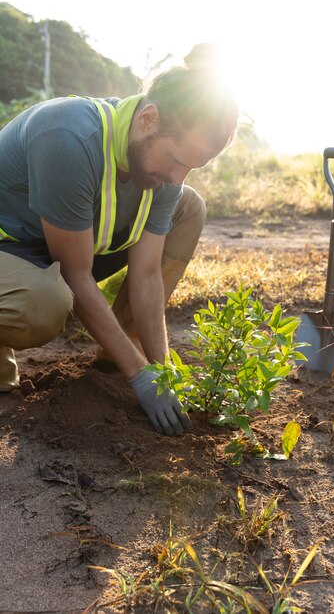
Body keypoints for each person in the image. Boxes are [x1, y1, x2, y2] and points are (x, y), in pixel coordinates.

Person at [0, 44, 239, 436]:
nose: (178, 177)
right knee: (42, 304)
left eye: (191, 167)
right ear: (148, 119)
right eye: (177, 160)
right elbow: (77, 277)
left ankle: (118, 353)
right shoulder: (68, 137)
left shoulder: (158, 166)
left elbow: (147, 275)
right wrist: (138, 376)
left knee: (188, 206)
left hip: (42, 248)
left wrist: (159, 371)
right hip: (9, 248)